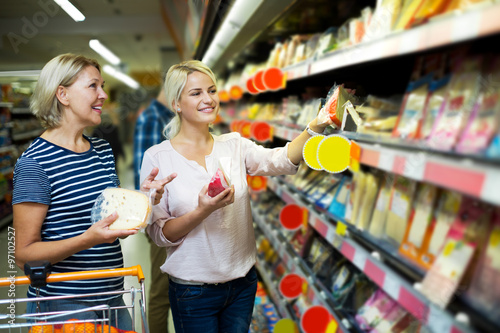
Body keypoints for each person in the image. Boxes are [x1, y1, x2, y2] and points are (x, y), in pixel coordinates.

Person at [140, 60, 332, 333]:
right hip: (193, 290)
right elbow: (160, 236)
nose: (208, 99)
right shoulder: (158, 158)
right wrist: (201, 211)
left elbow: (278, 159)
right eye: (196, 93)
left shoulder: (234, 145)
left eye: (212, 90)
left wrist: (315, 127)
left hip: (242, 283)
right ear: (176, 104)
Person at [12, 53, 175, 330]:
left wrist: (145, 198)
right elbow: (24, 254)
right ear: (62, 94)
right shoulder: (34, 164)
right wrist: (87, 239)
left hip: (112, 295)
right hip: (65, 305)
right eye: (93, 86)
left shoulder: (101, 150)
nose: (103, 95)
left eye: (102, 86)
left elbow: (107, 213)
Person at [133, 85, 175, 332]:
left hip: (174, 215)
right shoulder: (152, 119)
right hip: (160, 217)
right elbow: (147, 180)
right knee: (161, 291)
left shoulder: (166, 118)